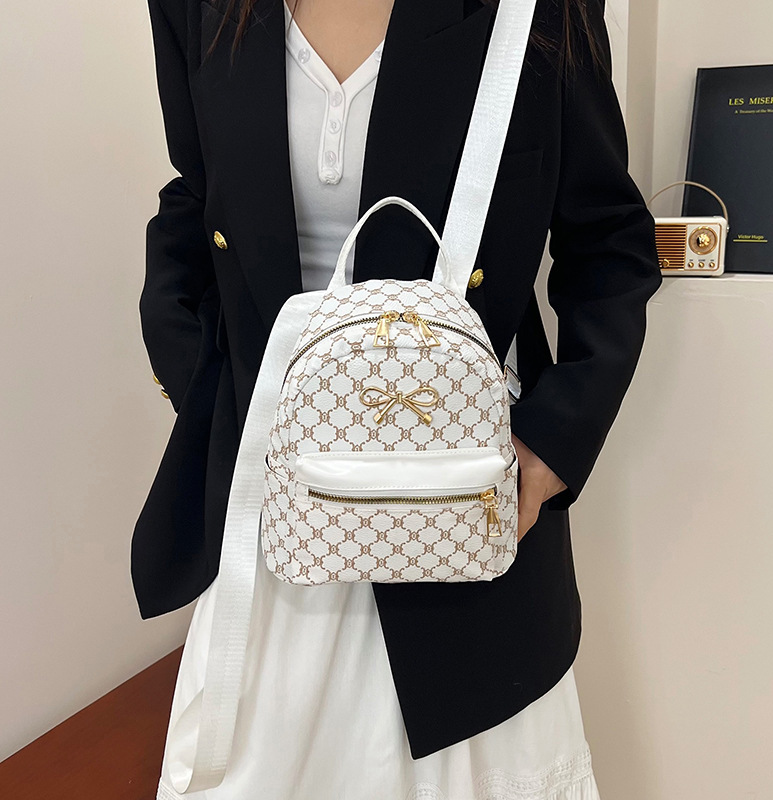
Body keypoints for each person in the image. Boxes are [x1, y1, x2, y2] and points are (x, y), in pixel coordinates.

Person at [134, 0, 663, 797]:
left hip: (462, 533)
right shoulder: (200, 7)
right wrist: (201, 387)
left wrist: (555, 442)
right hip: (274, 523)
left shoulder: (537, 9)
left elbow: (609, 238)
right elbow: (196, 196)